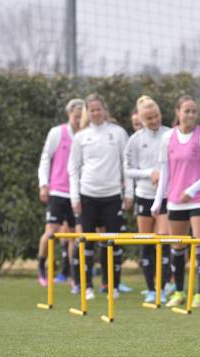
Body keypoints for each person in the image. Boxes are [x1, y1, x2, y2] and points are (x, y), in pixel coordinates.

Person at [151, 95, 200, 308]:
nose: (190, 115)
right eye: (186, 111)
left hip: (198, 200)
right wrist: (157, 202)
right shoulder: (168, 138)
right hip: (174, 202)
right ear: (178, 112)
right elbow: (165, 172)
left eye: (193, 111)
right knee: (177, 247)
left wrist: (192, 190)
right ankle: (179, 292)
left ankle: (199, 293)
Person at [68, 93, 133, 300]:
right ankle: (86, 287)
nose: (96, 113)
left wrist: (129, 193)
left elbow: (127, 165)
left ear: (105, 110)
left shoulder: (118, 133)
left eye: (99, 109)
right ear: (88, 112)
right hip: (87, 196)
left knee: (111, 244)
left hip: (113, 196)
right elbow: (73, 169)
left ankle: (111, 285)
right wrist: (74, 198)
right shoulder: (80, 137)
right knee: (86, 243)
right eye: (92, 110)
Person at [124, 96, 170, 304]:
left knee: (163, 240)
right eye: (149, 118)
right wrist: (149, 173)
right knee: (146, 242)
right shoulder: (135, 140)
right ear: (142, 120)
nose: (154, 120)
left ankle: (163, 286)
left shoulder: (170, 135)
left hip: (166, 197)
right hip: (144, 195)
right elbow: (127, 169)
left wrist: (164, 175)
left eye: (156, 116)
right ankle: (151, 289)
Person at [37, 98, 84, 286]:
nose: (79, 120)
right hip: (57, 190)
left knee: (74, 234)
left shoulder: (85, 136)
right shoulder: (57, 132)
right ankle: (42, 269)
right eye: (76, 117)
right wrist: (43, 184)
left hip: (77, 193)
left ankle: (74, 275)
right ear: (69, 114)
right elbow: (45, 159)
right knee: (51, 232)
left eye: (82, 117)